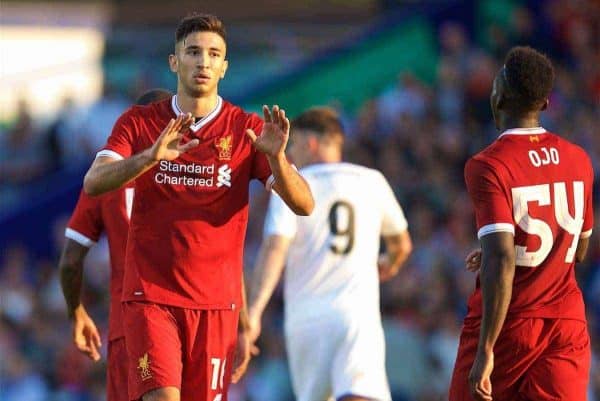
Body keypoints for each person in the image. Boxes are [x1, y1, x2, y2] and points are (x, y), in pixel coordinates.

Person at [82, 13, 314, 401]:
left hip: (216, 308)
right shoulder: (140, 123)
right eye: (193, 52)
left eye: (213, 54)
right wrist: (149, 157)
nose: (203, 62)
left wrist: (277, 160)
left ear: (224, 67)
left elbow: (305, 204)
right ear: (175, 61)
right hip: (151, 300)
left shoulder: (246, 130)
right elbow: (94, 181)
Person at [449, 46, 594, 401]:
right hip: (565, 325)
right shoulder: (578, 158)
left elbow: (501, 262)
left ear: (497, 94)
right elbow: (578, 248)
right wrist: (515, 246)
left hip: (509, 324)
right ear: (544, 105)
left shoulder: (488, 165)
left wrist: (486, 350)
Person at [247, 107, 413, 401]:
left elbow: (275, 248)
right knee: (361, 393)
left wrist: (255, 312)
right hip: (355, 316)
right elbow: (401, 243)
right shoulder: (370, 180)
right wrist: (389, 263)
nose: (291, 155)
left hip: (306, 320)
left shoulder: (291, 187)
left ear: (310, 143)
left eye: (293, 145)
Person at [59, 88, 173, 401]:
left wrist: (76, 313)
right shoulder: (202, 175)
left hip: (130, 327)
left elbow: (70, 262)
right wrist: (243, 320)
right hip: (192, 321)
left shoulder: (103, 180)